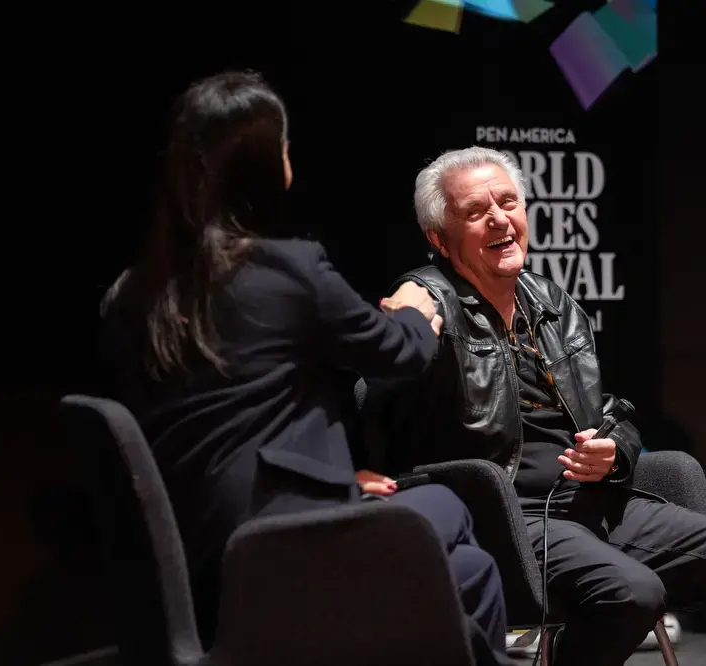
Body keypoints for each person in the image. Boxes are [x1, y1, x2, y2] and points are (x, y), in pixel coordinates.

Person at [97, 73, 514, 666]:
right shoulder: (287, 270)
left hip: (193, 560)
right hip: (279, 553)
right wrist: (417, 312)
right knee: (448, 508)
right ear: (268, 167)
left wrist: (335, 481)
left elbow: (226, 423)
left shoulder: (131, 293)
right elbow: (400, 352)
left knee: (467, 571)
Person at [367, 146, 706, 666]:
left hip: (594, 506)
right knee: (632, 592)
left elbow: (610, 410)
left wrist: (614, 452)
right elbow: (399, 338)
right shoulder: (433, 302)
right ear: (440, 239)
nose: (499, 219)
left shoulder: (553, 304)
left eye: (508, 202)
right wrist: (405, 309)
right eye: (475, 212)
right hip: (508, 520)